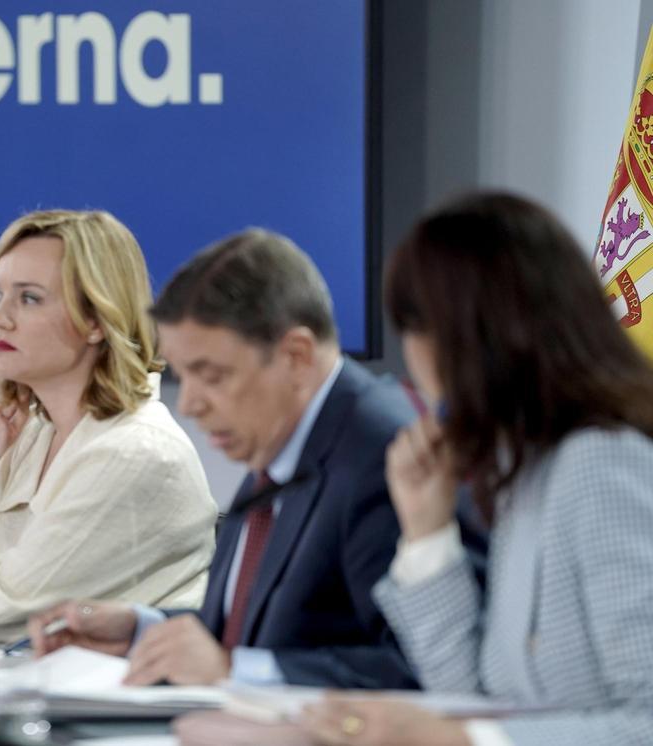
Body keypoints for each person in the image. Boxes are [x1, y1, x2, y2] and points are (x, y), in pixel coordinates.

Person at [257, 192, 653, 746]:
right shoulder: (527, 469)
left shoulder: (602, 463)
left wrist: (460, 740)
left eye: (414, 331)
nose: (413, 363)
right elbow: (472, 694)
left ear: (469, 336)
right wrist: (426, 532)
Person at [32, 228, 487, 688]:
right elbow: (248, 632)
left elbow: (429, 671)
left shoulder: (383, 456)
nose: (189, 404)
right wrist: (140, 631)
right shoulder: (284, 441)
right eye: (183, 374)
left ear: (295, 356)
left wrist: (236, 672)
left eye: (210, 375)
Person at [0, 209, 217, 643]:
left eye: (29, 298)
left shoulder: (134, 453)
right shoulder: (35, 430)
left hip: (115, 704)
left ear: (98, 320)